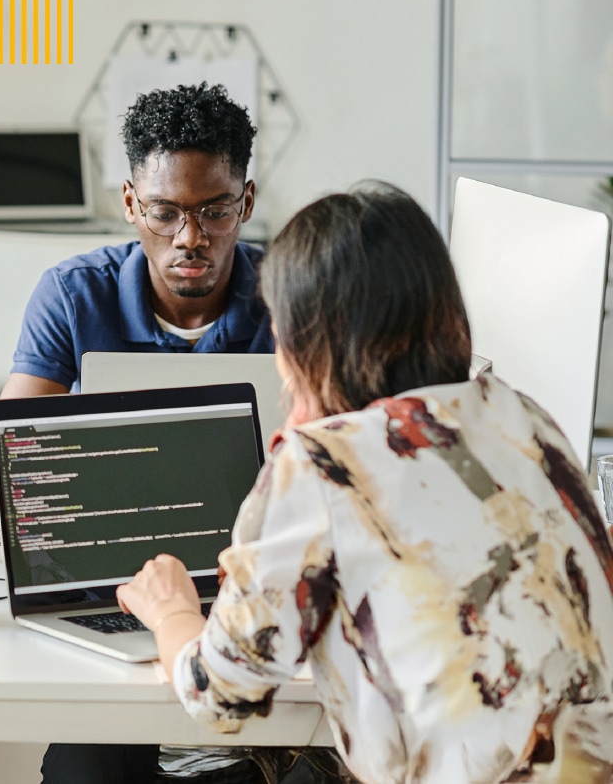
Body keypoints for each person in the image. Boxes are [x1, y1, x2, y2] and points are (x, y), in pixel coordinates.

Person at [116, 183, 613, 783]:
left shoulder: (322, 462)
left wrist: (171, 611)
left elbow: (218, 695)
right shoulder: (524, 418)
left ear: (305, 337)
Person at [0, 82, 272, 482]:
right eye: (164, 213)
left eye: (217, 212)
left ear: (247, 203)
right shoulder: (72, 294)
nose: (190, 238)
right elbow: (8, 464)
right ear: (129, 204)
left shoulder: (293, 294)